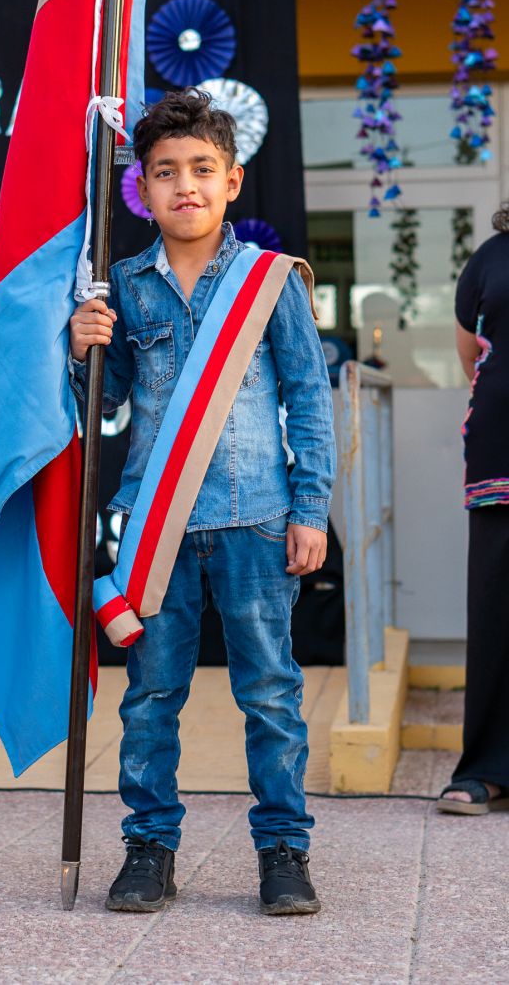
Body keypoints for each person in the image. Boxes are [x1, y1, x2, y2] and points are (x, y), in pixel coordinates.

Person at [69, 89, 335, 914]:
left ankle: (283, 852)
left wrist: (311, 506)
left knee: (270, 693)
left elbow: (308, 395)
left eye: (202, 170)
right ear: (140, 190)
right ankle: (149, 846)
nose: (185, 185)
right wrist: (82, 350)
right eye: (164, 173)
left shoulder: (268, 281)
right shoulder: (120, 288)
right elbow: (97, 405)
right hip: (158, 529)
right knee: (150, 696)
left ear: (233, 180)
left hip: (258, 517)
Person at [437, 201, 509, 815]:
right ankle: (484, 770)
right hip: (501, 455)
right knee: (495, 612)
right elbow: (470, 354)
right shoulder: (491, 255)